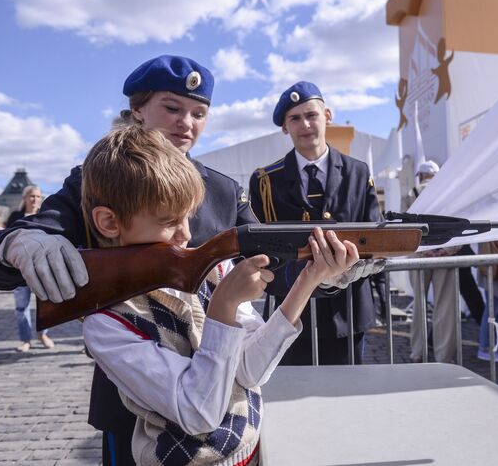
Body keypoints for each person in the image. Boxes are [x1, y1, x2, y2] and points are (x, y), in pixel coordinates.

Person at [0, 55, 259, 466]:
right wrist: (19, 240)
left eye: (199, 113)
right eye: (172, 108)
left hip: (224, 393)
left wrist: (327, 271)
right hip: (132, 393)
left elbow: (270, 257)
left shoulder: (224, 189)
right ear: (137, 110)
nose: (187, 123)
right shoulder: (98, 176)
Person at [82, 125, 359, 465]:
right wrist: (223, 308)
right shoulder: (105, 323)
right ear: (109, 222)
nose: (186, 233)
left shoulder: (210, 271)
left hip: (250, 452)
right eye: (170, 221)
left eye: (188, 216)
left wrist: (309, 279)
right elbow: (199, 413)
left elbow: (250, 371)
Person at [249, 81, 381, 365]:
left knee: (347, 396)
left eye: (311, 115)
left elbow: (375, 238)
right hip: (292, 314)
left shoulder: (357, 172)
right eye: (294, 118)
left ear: (328, 116)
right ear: (285, 127)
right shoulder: (266, 181)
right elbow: (260, 250)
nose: (305, 124)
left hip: (347, 310)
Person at [406, 160, 461, 364]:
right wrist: (447, 250)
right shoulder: (450, 193)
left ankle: (417, 351)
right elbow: (459, 226)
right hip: (445, 253)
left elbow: (404, 227)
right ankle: (444, 354)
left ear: (420, 175)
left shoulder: (411, 192)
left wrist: (422, 249)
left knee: (419, 303)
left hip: (419, 253)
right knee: (445, 306)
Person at [6, 185, 54, 352]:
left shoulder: (46, 216)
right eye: (32, 196)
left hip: (42, 268)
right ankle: (26, 339)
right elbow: (6, 240)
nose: (35, 199)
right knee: (21, 307)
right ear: (25, 198)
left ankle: (43, 334)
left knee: (45, 305)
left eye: (38, 196)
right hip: (19, 270)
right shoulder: (15, 216)